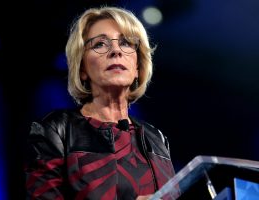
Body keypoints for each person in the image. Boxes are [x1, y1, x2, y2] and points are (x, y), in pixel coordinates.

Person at [24, 5, 179, 200]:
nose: (116, 50)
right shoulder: (56, 131)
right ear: (82, 69)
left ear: (138, 66)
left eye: (126, 43)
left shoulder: (156, 138)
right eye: (99, 44)